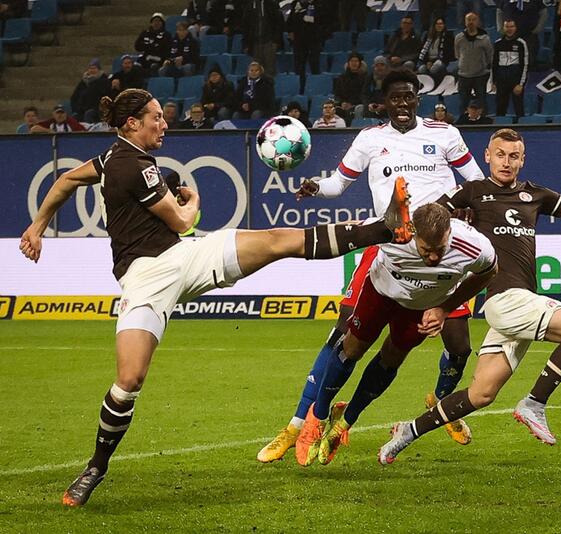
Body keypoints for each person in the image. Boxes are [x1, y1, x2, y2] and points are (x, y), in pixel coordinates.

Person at [21, 88, 415, 507]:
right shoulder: (136, 167)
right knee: (129, 380)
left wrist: (37, 226)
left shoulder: (112, 159)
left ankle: (385, 228)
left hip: (183, 258)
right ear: (132, 123)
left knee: (277, 240)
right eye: (156, 116)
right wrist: (193, 202)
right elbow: (183, 221)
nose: (164, 123)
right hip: (146, 279)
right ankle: (96, 467)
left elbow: (65, 180)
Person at [377, 128, 561, 464]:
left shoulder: (534, 194)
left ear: (523, 160)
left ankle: (407, 431)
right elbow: (427, 220)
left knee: (482, 393)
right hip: (503, 299)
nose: (507, 162)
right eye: (500, 154)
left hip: (518, 303)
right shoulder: (472, 192)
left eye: (514, 156)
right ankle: (534, 403)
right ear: (487, 155)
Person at [256, 70, 488, 465]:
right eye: (395, 99)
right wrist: (316, 186)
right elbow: (337, 184)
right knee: (343, 333)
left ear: (418, 99)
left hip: (438, 252)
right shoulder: (370, 140)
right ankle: (301, 423)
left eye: (409, 97)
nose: (402, 105)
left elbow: (476, 181)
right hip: (387, 246)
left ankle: (440, 402)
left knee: (459, 345)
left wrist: (454, 206)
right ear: (384, 103)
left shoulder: (444, 134)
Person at [304, 204, 498, 466]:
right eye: (425, 250)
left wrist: (445, 308)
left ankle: (345, 423)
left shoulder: (474, 246)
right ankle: (317, 417)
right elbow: (346, 234)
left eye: (439, 250)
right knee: (351, 348)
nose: (432, 258)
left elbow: (489, 272)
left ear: (449, 233)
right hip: (380, 294)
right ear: (412, 233)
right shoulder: (390, 232)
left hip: (420, 308)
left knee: (392, 358)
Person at [287, 0, 334, 93]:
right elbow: (290, 21)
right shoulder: (296, 3)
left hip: (314, 40)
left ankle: (315, 89)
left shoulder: (320, 4)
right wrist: (290, 31)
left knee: (314, 65)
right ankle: (300, 89)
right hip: (299, 41)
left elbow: (325, 20)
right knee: (299, 67)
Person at [454, 12, 493, 115]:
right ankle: (463, 122)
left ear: (477, 22)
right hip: (463, 76)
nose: (471, 22)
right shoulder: (459, 38)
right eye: (468, 20)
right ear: (465, 22)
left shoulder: (485, 38)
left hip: (480, 76)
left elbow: (490, 56)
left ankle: (484, 122)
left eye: (473, 20)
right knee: (463, 103)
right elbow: (457, 54)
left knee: (482, 101)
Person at [492, 19, 529, 118]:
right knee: (500, 108)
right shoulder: (498, 43)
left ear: (515, 28)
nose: (509, 29)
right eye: (507, 27)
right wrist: (494, 81)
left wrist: (521, 84)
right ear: (503, 28)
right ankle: (500, 132)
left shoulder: (521, 43)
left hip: (515, 82)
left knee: (519, 109)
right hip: (501, 81)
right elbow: (494, 64)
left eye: (511, 26)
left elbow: (525, 64)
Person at [242, 0, 284, 76]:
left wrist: (275, 41)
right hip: (255, 43)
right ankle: (257, 87)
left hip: (269, 42)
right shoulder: (249, 6)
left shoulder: (272, 4)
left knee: (270, 70)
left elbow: (279, 23)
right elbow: (245, 26)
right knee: (256, 70)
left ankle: (269, 87)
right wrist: (246, 44)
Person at [71, 58, 112, 123]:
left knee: (89, 114)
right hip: (82, 109)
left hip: (97, 110)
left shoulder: (104, 81)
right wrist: (76, 109)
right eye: (90, 68)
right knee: (75, 116)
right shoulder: (84, 82)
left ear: (99, 69)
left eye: (94, 68)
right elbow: (74, 97)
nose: (92, 70)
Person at [417, 17, 456, 82]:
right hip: (428, 61)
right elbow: (422, 51)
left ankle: (436, 85)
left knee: (435, 67)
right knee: (421, 69)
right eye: (437, 24)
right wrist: (427, 62)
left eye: (441, 24)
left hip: (441, 60)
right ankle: (425, 87)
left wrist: (434, 61)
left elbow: (449, 53)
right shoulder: (428, 35)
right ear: (434, 25)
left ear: (444, 25)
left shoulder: (448, 36)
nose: (439, 26)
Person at [334, 52, 368, 123]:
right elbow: (337, 94)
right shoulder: (341, 78)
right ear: (348, 63)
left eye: (356, 61)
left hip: (358, 104)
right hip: (344, 105)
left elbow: (364, 94)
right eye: (352, 61)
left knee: (355, 110)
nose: (354, 63)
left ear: (360, 63)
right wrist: (342, 102)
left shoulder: (365, 78)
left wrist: (352, 104)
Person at [357, 56, 391, 120]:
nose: (379, 68)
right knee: (363, 109)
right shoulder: (369, 78)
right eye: (377, 65)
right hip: (372, 106)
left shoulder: (392, 79)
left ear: (386, 67)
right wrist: (369, 104)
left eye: (382, 65)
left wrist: (384, 106)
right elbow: (364, 94)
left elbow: (394, 96)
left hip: (387, 106)